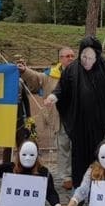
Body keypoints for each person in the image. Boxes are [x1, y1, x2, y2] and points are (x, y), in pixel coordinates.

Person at [44, 36, 105, 190]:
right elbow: (62, 88)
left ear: (97, 56)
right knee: (80, 159)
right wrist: (53, 97)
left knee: (104, 156)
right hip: (80, 124)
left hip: (103, 124)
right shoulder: (72, 69)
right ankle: (80, 193)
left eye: (90, 57)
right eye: (84, 56)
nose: (87, 60)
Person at [19, 47, 76, 190]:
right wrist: (25, 71)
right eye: (67, 56)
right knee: (63, 146)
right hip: (60, 117)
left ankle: (79, 173)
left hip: (78, 116)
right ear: (60, 58)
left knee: (78, 147)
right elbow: (36, 79)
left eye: (72, 56)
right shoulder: (51, 75)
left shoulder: (80, 73)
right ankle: (67, 176)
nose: (70, 58)